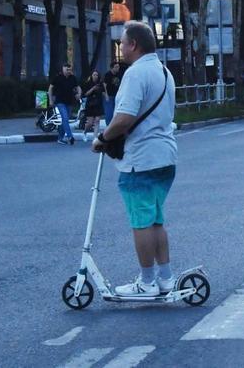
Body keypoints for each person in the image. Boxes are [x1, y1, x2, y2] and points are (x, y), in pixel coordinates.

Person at [92, 21, 179, 297]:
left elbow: (125, 118)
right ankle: (165, 278)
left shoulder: (135, 74)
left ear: (134, 45)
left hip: (141, 158)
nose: (120, 47)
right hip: (165, 156)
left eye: (123, 42)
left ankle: (146, 282)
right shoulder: (164, 72)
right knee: (155, 220)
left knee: (141, 221)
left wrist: (102, 139)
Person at [49, 63, 81, 145]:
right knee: (65, 118)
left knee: (65, 120)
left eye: (70, 69)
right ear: (63, 69)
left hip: (69, 102)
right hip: (60, 102)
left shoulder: (72, 78)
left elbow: (78, 87)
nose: (68, 71)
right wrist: (51, 100)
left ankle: (60, 138)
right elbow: (50, 88)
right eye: (67, 69)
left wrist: (79, 94)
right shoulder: (58, 78)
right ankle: (70, 136)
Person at [81, 70, 105, 140]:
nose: (95, 76)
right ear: (91, 76)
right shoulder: (88, 84)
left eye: (96, 75)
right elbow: (86, 94)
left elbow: (103, 92)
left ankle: (95, 137)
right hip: (90, 104)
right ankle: (84, 132)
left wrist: (106, 96)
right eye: (94, 75)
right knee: (90, 123)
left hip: (98, 103)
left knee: (97, 120)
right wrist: (93, 88)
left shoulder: (100, 84)